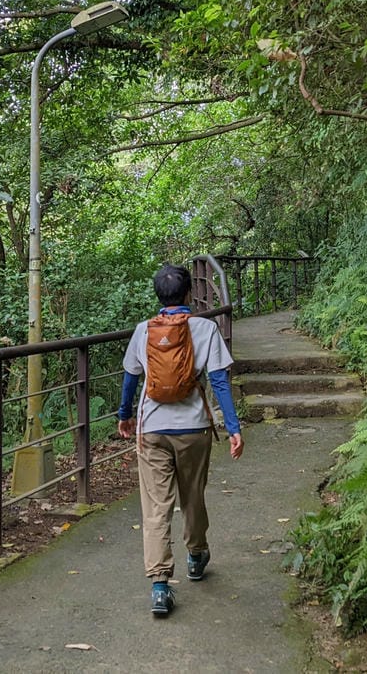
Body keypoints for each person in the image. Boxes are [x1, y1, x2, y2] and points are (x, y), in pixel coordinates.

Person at [117, 263, 244, 617]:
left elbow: (130, 378)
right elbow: (219, 382)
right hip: (194, 429)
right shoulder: (205, 328)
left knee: (155, 507)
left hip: (153, 429)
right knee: (192, 496)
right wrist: (233, 428)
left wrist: (124, 415)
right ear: (189, 294)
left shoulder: (144, 330)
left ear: (159, 296)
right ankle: (196, 554)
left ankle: (159, 586)